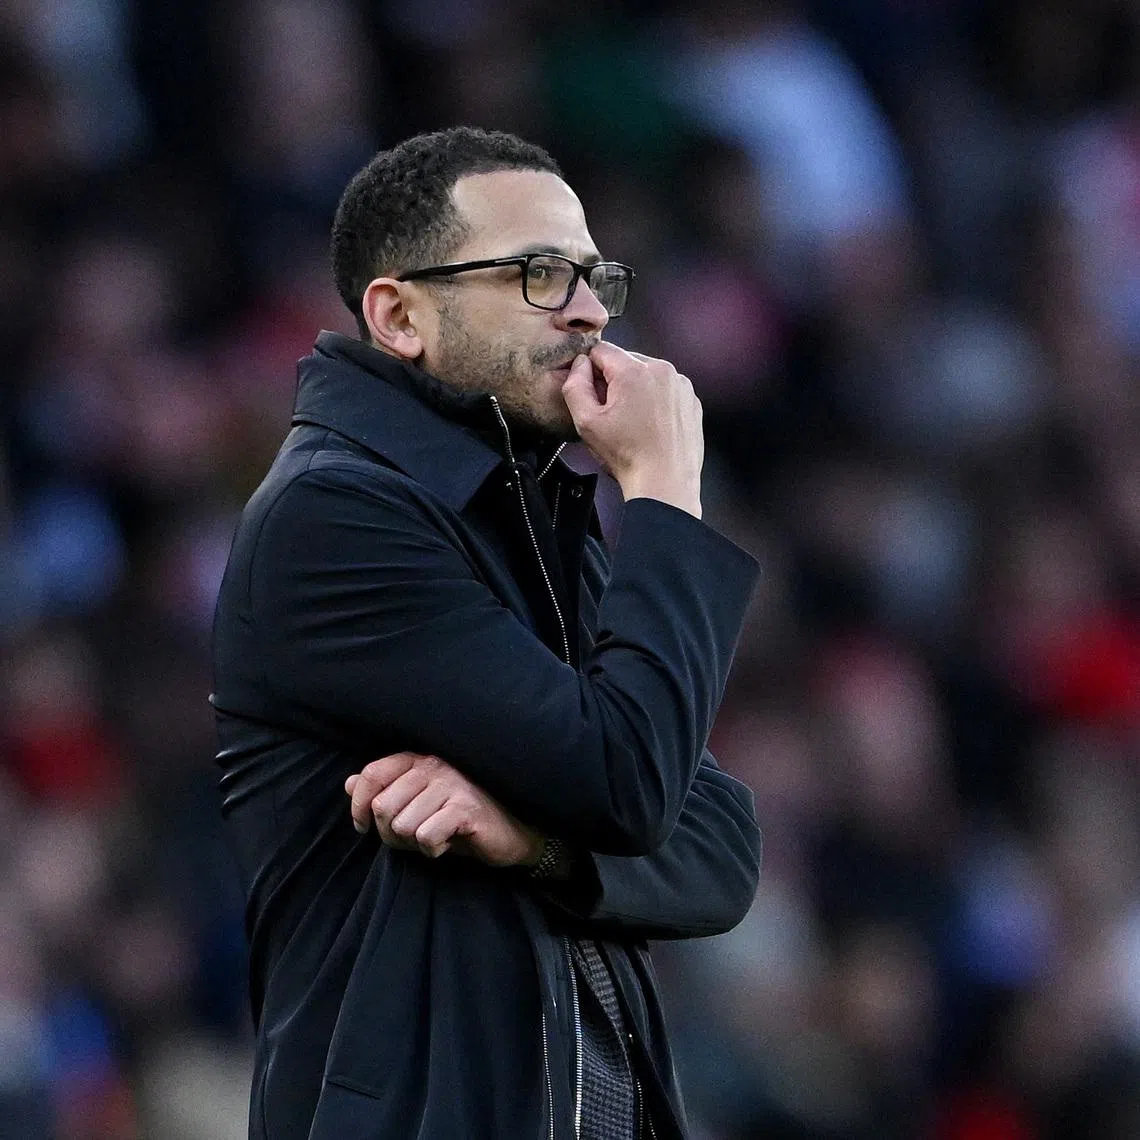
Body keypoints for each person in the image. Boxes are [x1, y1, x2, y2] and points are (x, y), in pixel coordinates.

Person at [212, 126, 762, 1140]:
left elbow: (724, 847)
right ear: (400, 314)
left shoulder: (527, 511)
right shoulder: (335, 520)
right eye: (541, 274)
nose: (592, 310)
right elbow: (632, 782)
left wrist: (535, 844)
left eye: (595, 276)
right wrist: (665, 497)